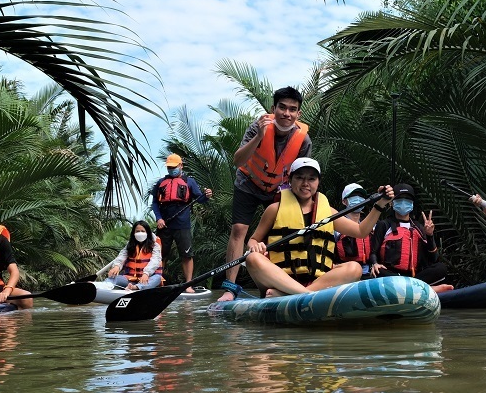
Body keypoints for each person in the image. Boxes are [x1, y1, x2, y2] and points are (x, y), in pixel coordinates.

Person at [243, 158, 394, 297]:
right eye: (299, 177)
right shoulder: (274, 209)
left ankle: (292, 295)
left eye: (311, 179)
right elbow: (253, 240)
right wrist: (255, 246)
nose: (305, 183)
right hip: (280, 278)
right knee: (252, 258)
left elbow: (361, 232)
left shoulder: (328, 212)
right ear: (290, 180)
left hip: (317, 282)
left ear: (318, 183)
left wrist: (379, 205)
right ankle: (302, 294)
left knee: (354, 268)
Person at [218, 86, 311, 302]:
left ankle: (280, 285)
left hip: (278, 189)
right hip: (248, 183)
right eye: (282, 107)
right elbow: (238, 161)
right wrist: (259, 136)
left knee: (281, 232)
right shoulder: (257, 127)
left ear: (299, 114)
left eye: (292, 109)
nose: (286, 114)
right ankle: (230, 288)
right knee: (239, 229)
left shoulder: (304, 141)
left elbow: (302, 176)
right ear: (273, 108)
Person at [370, 183, 452, 292]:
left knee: (441, 268)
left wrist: (430, 235)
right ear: (392, 203)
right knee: (378, 271)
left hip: (415, 276)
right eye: (400, 199)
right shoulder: (384, 225)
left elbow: (433, 258)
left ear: (412, 204)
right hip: (392, 275)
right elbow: (373, 252)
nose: (404, 202)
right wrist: (375, 263)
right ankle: (425, 289)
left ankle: (409, 288)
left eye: (407, 200)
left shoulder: (419, 227)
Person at [152, 153, 212, 294]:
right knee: (160, 255)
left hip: (182, 225)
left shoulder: (189, 181)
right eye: (169, 167)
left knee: (186, 254)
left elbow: (200, 199)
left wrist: (207, 195)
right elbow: (155, 203)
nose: (171, 169)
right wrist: (158, 218)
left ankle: (188, 285)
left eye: (173, 167)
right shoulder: (161, 183)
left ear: (180, 166)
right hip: (164, 224)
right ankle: (156, 283)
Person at [105, 221, 163, 290]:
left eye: (143, 231)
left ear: (147, 232)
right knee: (113, 278)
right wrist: (117, 266)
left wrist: (146, 273)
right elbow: (122, 256)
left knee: (157, 278)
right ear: (134, 233)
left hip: (147, 279)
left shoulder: (155, 245)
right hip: (130, 279)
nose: (140, 233)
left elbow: (155, 261)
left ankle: (136, 287)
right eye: (137, 231)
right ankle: (102, 286)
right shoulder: (130, 245)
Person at [333, 183, 375, 278]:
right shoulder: (336, 225)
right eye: (353, 196)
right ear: (344, 201)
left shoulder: (371, 225)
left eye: (361, 196)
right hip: (345, 273)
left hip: (368, 272)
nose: (358, 199)